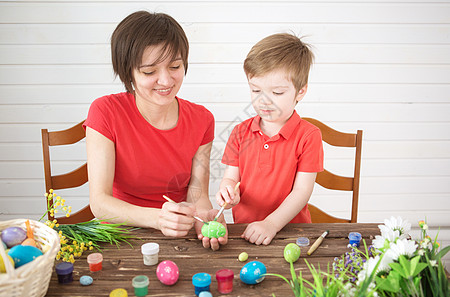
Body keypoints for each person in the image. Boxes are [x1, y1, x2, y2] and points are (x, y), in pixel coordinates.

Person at [84, 11, 226, 250]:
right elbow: (99, 203)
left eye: (175, 66)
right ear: (128, 72)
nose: (166, 81)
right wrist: (158, 219)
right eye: (149, 71)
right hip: (121, 233)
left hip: (177, 233)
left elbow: (197, 190)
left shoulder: (202, 120)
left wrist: (203, 216)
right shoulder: (105, 111)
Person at [216, 33, 324, 245]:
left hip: (290, 233)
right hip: (245, 233)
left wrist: (271, 224)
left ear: (300, 91)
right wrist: (227, 192)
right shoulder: (240, 132)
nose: (264, 100)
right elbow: (231, 178)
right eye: (256, 90)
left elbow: (302, 191)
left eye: (277, 92)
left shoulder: (309, 136)